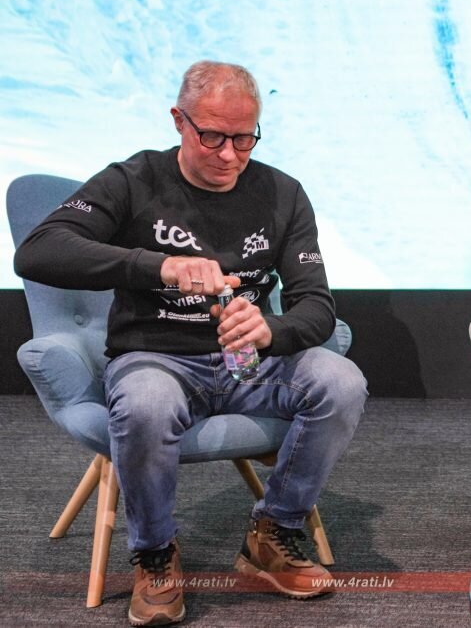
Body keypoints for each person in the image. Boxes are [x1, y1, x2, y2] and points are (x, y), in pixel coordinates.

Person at [14, 61, 368, 626]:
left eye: (244, 138)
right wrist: (158, 266)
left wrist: (271, 330)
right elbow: (39, 251)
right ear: (179, 121)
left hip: (247, 361)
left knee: (341, 382)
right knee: (147, 403)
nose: (229, 155)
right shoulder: (133, 180)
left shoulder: (282, 193)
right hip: (155, 355)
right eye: (212, 137)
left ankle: (274, 531)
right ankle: (155, 555)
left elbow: (317, 306)